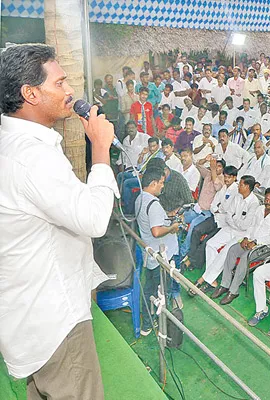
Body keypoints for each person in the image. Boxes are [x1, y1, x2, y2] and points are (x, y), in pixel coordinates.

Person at [0, 44, 116, 398]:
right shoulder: (33, 157)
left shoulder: (13, 143)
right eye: (60, 83)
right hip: (55, 320)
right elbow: (94, 219)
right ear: (30, 93)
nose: (70, 92)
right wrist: (100, 148)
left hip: (30, 314)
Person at [214, 187, 270, 305]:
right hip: (250, 240)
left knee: (245, 258)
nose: (268, 202)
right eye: (266, 199)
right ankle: (225, 285)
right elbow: (251, 225)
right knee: (232, 250)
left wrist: (256, 242)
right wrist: (246, 238)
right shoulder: (259, 209)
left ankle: (233, 291)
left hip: (265, 247)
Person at [135, 168, 182, 335]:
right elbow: (156, 231)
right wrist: (172, 227)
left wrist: (167, 215)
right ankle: (158, 324)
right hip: (161, 255)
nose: (163, 186)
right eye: (161, 183)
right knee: (161, 290)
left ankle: (147, 323)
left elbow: (151, 221)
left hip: (149, 252)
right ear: (153, 183)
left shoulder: (140, 198)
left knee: (150, 288)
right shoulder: (153, 204)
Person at [198, 174, 261, 289]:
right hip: (230, 228)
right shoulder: (237, 196)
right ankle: (210, 278)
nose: (238, 186)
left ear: (247, 187)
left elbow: (245, 226)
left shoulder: (254, 203)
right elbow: (228, 215)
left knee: (226, 251)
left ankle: (205, 279)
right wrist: (235, 221)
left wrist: (234, 219)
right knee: (210, 244)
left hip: (243, 234)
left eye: (241, 184)